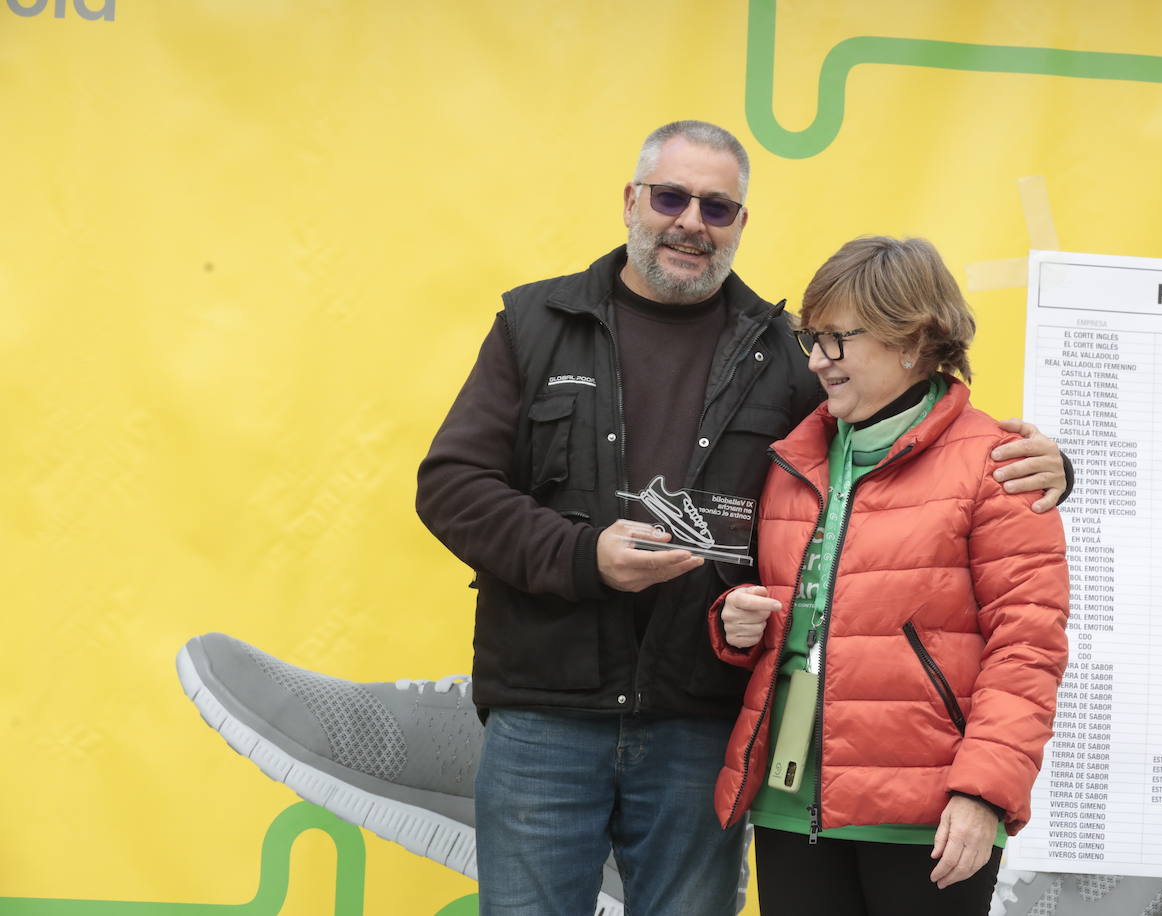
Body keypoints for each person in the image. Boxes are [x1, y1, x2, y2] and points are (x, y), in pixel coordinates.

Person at [175, 121, 1071, 916]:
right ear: (632, 200)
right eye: (672, 197)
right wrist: (582, 557)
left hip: (701, 726)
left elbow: (902, 440)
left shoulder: (781, 352)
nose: (691, 221)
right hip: (544, 717)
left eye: (717, 208)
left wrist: (1056, 468)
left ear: (741, 225)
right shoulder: (536, 324)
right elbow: (451, 484)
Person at [710, 236, 1070, 916]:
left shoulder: (1000, 465)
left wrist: (981, 792)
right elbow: (800, 613)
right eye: (810, 338)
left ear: (912, 340)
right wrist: (735, 622)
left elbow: (1028, 648)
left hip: (929, 816)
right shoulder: (794, 457)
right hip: (791, 806)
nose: (815, 360)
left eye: (836, 340)